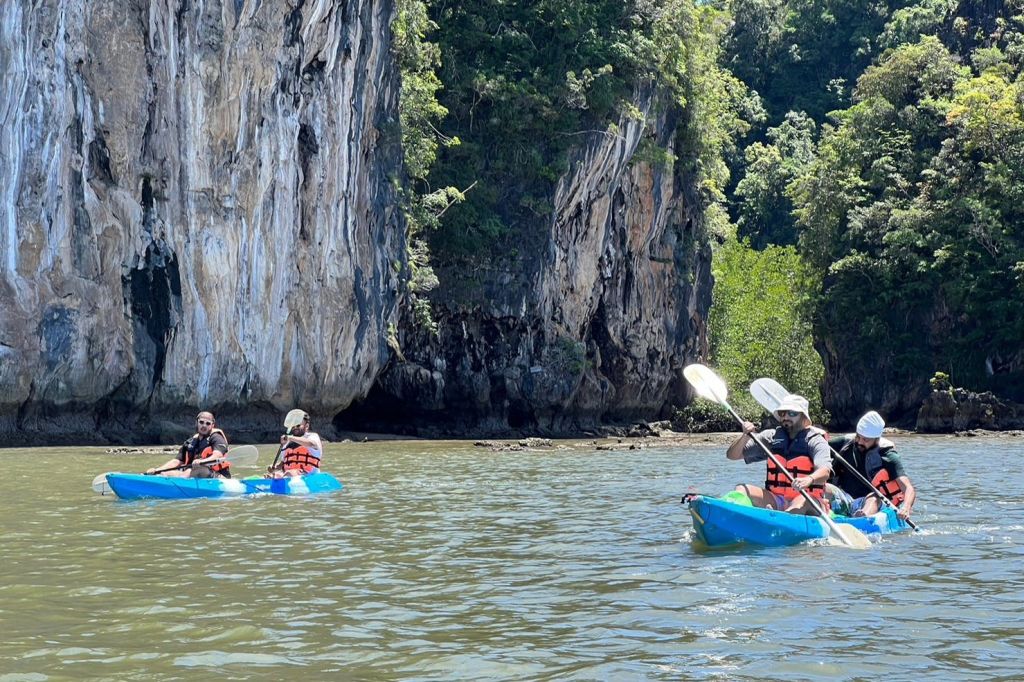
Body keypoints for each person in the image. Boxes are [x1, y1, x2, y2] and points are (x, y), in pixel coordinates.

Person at [725, 394, 832, 515]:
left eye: (792, 413)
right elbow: (732, 455)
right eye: (782, 413)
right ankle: (730, 514)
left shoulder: (815, 441)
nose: (786, 417)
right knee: (741, 489)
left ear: (804, 417)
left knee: (801, 502)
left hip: (808, 500)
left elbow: (825, 471)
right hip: (777, 499)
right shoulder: (770, 437)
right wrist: (745, 436)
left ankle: (780, 517)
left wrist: (809, 479)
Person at [828, 411, 916, 520]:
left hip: (869, 502)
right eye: (858, 437)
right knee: (825, 488)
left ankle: (861, 519)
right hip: (844, 498)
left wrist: (906, 507)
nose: (860, 442)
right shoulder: (845, 443)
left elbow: (908, 488)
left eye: (865, 439)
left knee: (874, 497)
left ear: (877, 439)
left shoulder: (888, 455)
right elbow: (818, 445)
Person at [146, 410, 231, 478]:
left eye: (208, 423)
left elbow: (217, 455)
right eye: (201, 422)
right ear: (197, 423)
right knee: (164, 473)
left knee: (197, 470)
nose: (204, 425)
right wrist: (158, 470)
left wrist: (202, 461)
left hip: (217, 475)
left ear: (212, 425)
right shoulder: (190, 442)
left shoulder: (216, 437)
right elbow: (177, 461)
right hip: (191, 474)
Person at [267, 409, 323, 478]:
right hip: (289, 474)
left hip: (309, 475)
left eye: (298, 425)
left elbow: (311, 444)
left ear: (307, 426)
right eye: (293, 426)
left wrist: (291, 438)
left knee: (289, 473)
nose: (295, 428)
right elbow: (284, 463)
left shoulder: (313, 436)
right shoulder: (287, 442)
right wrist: (275, 467)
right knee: (271, 476)